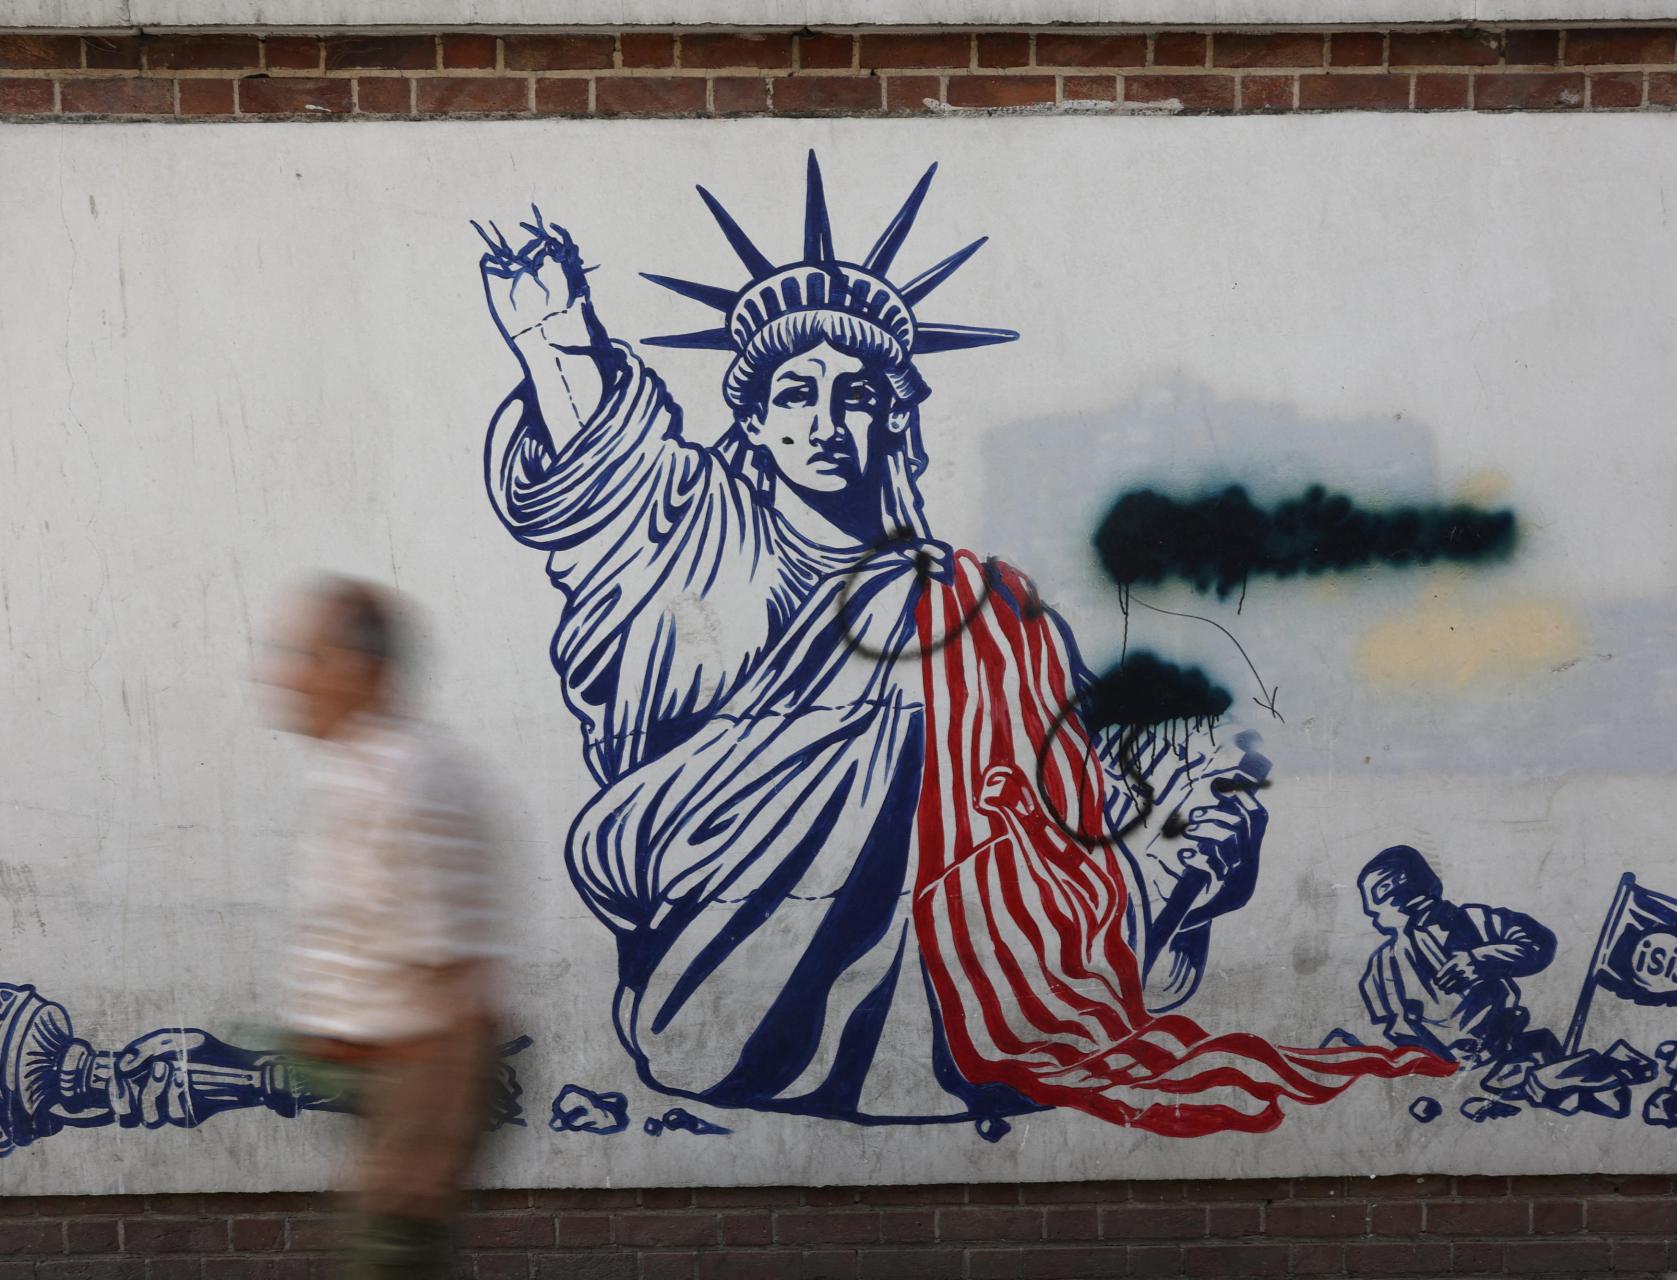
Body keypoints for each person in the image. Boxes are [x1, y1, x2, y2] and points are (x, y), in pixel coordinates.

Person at [476, 156, 1449, 1137]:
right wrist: (555, 342)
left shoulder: (979, 604)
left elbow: (1067, 785)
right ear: (756, 422)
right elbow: (610, 489)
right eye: (796, 394)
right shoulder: (706, 542)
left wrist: (1177, 823)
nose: (825, 421)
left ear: (891, 420)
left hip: (968, 966)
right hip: (710, 961)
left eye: (854, 395)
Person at [260, 577, 503, 1277]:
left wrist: (422, 1145)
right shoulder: (356, 771)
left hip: (420, 1083)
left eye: (305, 657)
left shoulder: (405, 783)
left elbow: (453, 980)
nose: (284, 677)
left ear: (359, 669)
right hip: (386, 1083)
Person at [1357, 844, 1558, 1066]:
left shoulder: (1475, 919)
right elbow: (1385, 1029)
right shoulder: (1383, 964)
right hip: (1442, 1069)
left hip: (1507, 1052)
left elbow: (1540, 944)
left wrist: (1479, 961)